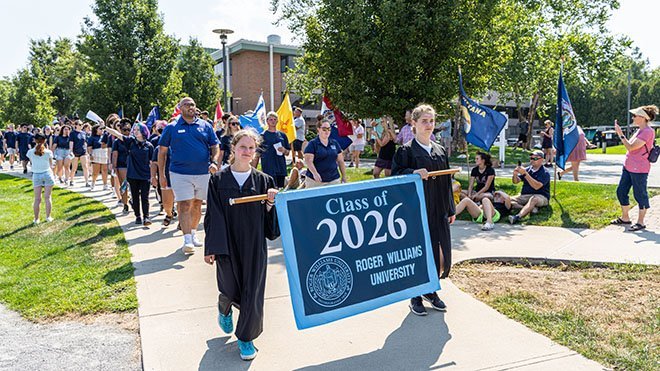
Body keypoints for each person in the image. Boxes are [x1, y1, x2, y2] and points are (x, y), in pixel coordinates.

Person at [204, 129, 280, 361]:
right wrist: (212, 248)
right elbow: (213, 216)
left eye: (251, 148)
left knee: (252, 292)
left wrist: (270, 204)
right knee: (229, 288)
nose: (247, 152)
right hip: (227, 243)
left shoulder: (264, 182)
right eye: (242, 147)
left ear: (255, 151)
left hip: (254, 245)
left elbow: (271, 226)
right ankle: (224, 307)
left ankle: (246, 338)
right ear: (233, 149)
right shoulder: (218, 180)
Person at [392, 104, 455, 316]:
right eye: (424, 121)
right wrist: (412, 172)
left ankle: (431, 289)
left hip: (439, 208)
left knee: (440, 254)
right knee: (419, 252)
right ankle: (415, 295)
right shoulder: (406, 150)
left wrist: (451, 208)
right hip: (417, 211)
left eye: (432, 121)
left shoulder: (440, 150)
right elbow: (395, 177)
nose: (429, 125)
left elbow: (447, 182)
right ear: (414, 124)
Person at [159, 97, 220, 254]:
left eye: (192, 104)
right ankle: (186, 239)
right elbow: (162, 152)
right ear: (180, 108)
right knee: (185, 204)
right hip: (179, 173)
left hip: (203, 172)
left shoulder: (205, 126)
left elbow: (215, 146)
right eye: (186, 105)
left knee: (197, 204)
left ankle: (193, 233)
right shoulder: (172, 127)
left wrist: (214, 162)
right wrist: (161, 174)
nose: (190, 107)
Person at [611, 105, 658, 232]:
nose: (633, 117)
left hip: (640, 168)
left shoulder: (648, 132)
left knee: (640, 194)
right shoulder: (639, 130)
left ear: (643, 118)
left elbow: (631, 147)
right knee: (621, 191)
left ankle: (641, 222)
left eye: (635, 115)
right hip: (628, 166)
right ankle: (625, 218)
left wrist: (620, 134)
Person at [105, 123, 155, 226]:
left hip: (145, 175)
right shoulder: (131, 142)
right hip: (132, 174)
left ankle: (146, 217)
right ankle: (138, 216)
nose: (135, 131)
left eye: (137, 129)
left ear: (144, 131)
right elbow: (117, 134)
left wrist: (154, 175)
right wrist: (105, 127)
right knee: (135, 196)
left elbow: (152, 162)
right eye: (134, 129)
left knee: (145, 197)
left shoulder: (149, 146)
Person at [508, 150, 551, 224]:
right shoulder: (528, 169)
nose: (532, 160)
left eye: (535, 159)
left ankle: (517, 217)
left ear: (542, 160)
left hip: (540, 196)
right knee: (507, 200)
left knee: (533, 199)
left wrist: (525, 174)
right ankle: (531, 209)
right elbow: (516, 182)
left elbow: (536, 186)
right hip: (525, 195)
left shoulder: (545, 172)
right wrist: (515, 174)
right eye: (531, 158)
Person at [303, 119, 347, 188]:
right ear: (318, 129)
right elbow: (308, 161)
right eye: (324, 129)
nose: (327, 131)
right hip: (315, 181)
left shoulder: (334, 143)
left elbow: (340, 161)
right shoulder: (312, 144)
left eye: (329, 129)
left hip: (333, 180)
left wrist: (344, 176)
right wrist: (315, 173)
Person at [255, 111, 290, 188]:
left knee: (280, 189)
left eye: (275, 119)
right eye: (271, 119)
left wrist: (284, 150)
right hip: (268, 167)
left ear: (277, 121)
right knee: (270, 190)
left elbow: (288, 152)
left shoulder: (282, 135)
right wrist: (254, 168)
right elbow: (257, 154)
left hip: (281, 167)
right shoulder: (262, 136)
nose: (273, 121)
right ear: (267, 121)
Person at [26, 134, 56, 224]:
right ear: (45, 141)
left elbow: (32, 163)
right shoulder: (48, 152)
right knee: (48, 197)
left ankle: (36, 219)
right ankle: (48, 217)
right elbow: (51, 165)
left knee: (37, 199)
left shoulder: (30, 152)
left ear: (34, 140)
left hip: (36, 175)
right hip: (47, 174)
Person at [112, 120, 132, 213]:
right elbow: (115, 155)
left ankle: (132, 200)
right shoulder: (117, 142)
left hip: (133, 165)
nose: (127, 132)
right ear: (120, 130)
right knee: (124, 185)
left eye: (129, 129)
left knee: (134, 185)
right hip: (122, 165)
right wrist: (114, 167)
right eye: (125, 130)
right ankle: (125, 203)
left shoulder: (133, 139)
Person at [87, 124, 110, 190]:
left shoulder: (105, 136)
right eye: (100, 129)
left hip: (104, 153)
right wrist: (90, 155)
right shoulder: (92, 138)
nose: (102, 130)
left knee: (105, 170)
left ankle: (105, 184)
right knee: (95, 171)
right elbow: (89, 147)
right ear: (96, 130)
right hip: (96, 154)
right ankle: (93, 183)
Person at [69, 120, 90, 187]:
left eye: (81, 124)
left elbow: (85, 142)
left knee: (85, 167)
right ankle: (71, 180)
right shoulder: (72, 133)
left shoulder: (83, 133)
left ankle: (87, 182)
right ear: (76, 125)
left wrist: (87, 151)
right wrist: (71, 151)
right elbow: (71, 143)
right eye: (79, 124)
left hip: (83, 151)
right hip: (75, 152)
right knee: (74, 168)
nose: (81, 126)